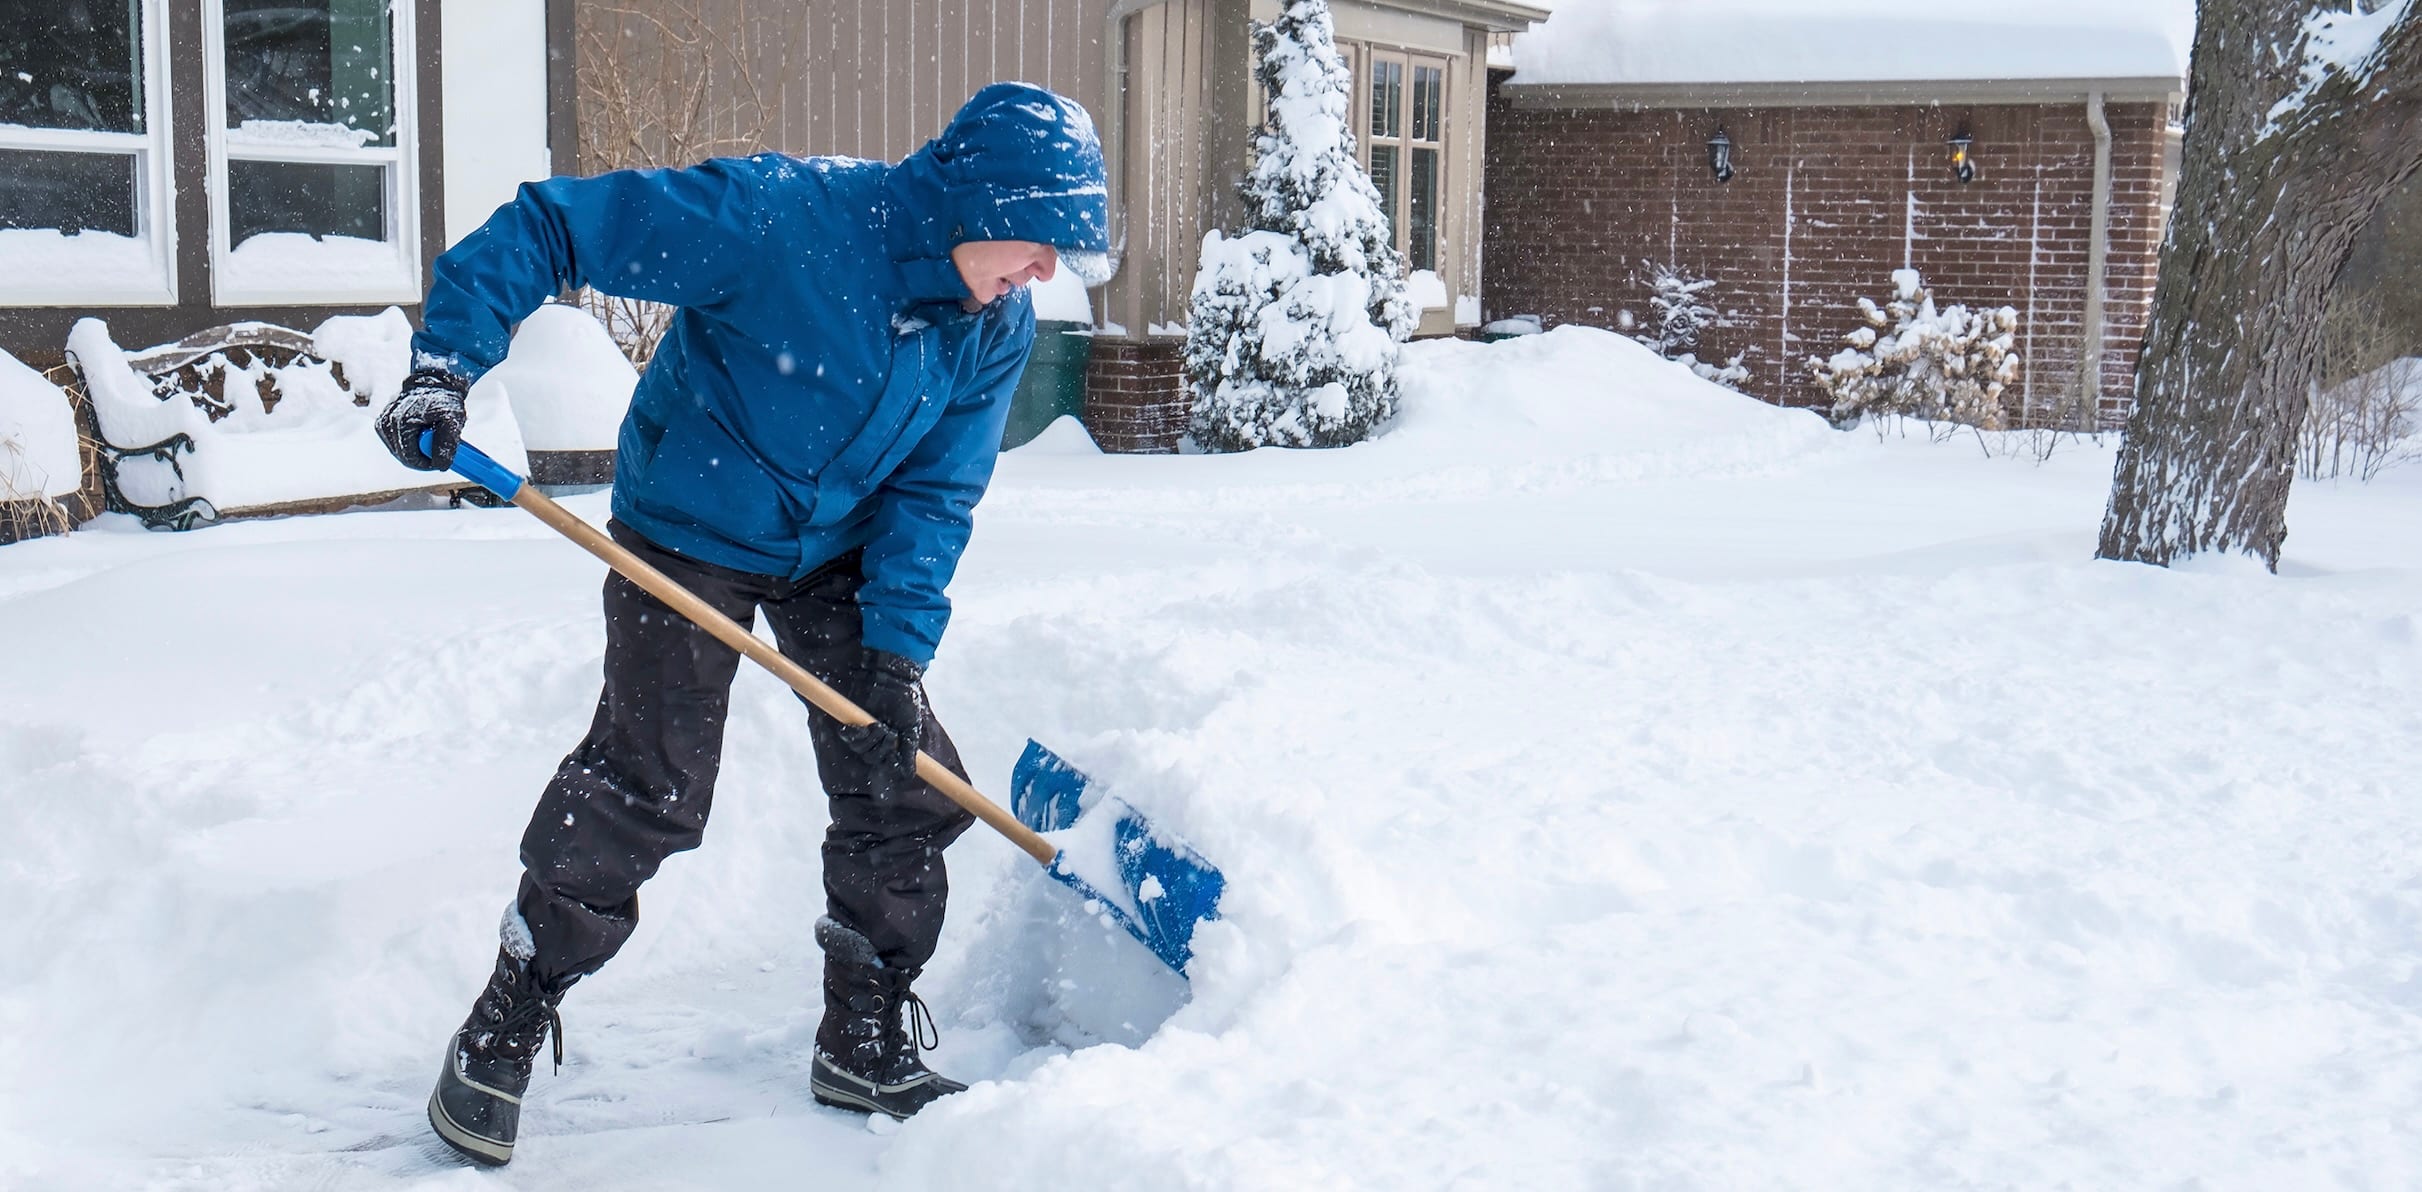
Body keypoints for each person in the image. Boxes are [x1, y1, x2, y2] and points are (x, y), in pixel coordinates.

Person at [372, 82, 1111, 1167]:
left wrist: (896, 660)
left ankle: (862, 1035)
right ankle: (509, 1012)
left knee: (901, 776)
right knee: (649, 780)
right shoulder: (779, 218)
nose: (1047, 273)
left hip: (839, 543)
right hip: (692, 521)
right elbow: (553, 223)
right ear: (979, 202)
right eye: (1042, 241)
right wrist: (445, 367)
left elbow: (935, 496)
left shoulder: (989, 326)